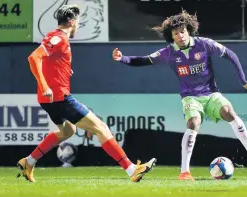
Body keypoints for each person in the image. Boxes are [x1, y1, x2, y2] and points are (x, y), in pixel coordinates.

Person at [112, 10, 247, 181]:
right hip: (190, 97)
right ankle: (185, 172)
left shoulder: (205, 44)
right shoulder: (168, 52)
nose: (180, 36)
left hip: (211, 93)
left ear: (188, 30)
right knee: (193, 122)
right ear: (171, 36)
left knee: (229, 112)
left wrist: (244, 81)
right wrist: (122, 59)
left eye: (182, 31)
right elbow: (143, 60)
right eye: (175, 33)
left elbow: (231, 55)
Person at [17, 4, 156, 183]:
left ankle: (28, 161)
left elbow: (50, 61)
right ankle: (131, 170)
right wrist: (45, 85)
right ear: (72, 21)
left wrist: (64, 71)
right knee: (100, 127)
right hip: (59, 97)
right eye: (78, 22)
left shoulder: (57, 39)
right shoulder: (59, 38)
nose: (79, 26)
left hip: (48, 100)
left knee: (67, 131)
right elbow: (33, 57)